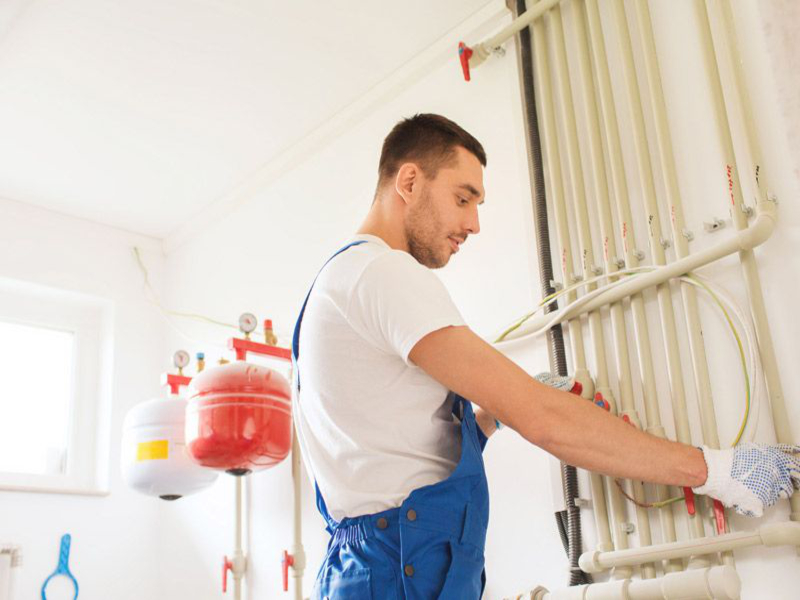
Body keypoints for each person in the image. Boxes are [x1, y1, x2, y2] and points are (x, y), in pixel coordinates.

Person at [291, 113, 800, 599]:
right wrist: (717, 471)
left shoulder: (339, 281)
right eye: (463, 198)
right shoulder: (382, 274)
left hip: (378, 565)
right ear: (408, 182)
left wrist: (490, 420)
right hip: (399, 568)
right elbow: (546, 421)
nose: (474, 224)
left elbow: (395, 449)